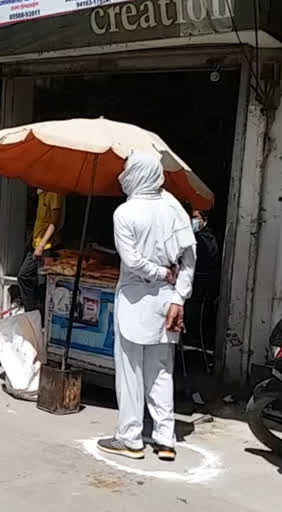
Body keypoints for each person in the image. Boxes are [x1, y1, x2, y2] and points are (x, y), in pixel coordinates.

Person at [97, 151, 196, 462]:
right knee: (161, 371)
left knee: (130, 372)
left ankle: (130, 437)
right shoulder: (174, 208)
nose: (123, 174)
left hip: (134, 299)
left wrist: (160, 273)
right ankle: (165, 440)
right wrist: (179, 296)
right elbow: (189, 260)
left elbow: (132, 261)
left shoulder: (125, 213)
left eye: (127, 169)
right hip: (167, 301)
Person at [17, 189, 65, 312]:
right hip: (35, 245)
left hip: (46, 248)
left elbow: (54, 222)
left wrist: (42, 245)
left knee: (42, 284)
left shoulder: (54, 193)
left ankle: (41, 315)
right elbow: (40, 221)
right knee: (24, 275)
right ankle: (31, 311)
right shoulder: (42, 194)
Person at [191, 209, 220, 299]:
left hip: (201, 285)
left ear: (205, 220)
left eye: (195, 217)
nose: (192, 220)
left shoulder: (207, 237)